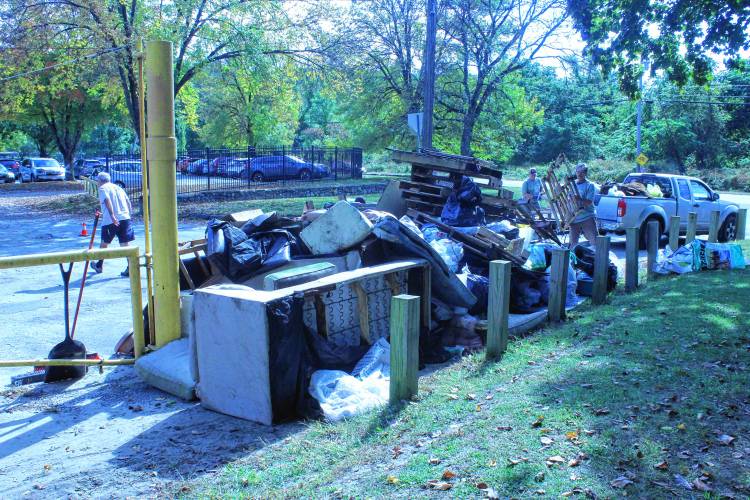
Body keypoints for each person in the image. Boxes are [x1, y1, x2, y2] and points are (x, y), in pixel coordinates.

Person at [92, 172, 134, 277]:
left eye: (97, 181)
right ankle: (131, 268)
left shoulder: (102, 188)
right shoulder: (119, 188)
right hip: (125, 218)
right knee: (125, 244)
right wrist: (128, 215)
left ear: (100, 180)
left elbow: (107, 200)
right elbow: (128, 202)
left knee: (104, 243)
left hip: (110, 221)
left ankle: (99, 265)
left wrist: (112, 215)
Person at [568, 163, 598, 248]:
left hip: (587, 216)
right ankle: (573, 260)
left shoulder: (590, 185)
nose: (579, 174)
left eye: (582, 172)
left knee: (595, 241)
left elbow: (589, 202)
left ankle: (600, 259)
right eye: (578, 172)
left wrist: (579, 199)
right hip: (574, 218)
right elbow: (568, 200)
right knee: (572, 244)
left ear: (585, 173)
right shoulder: (572, 185)